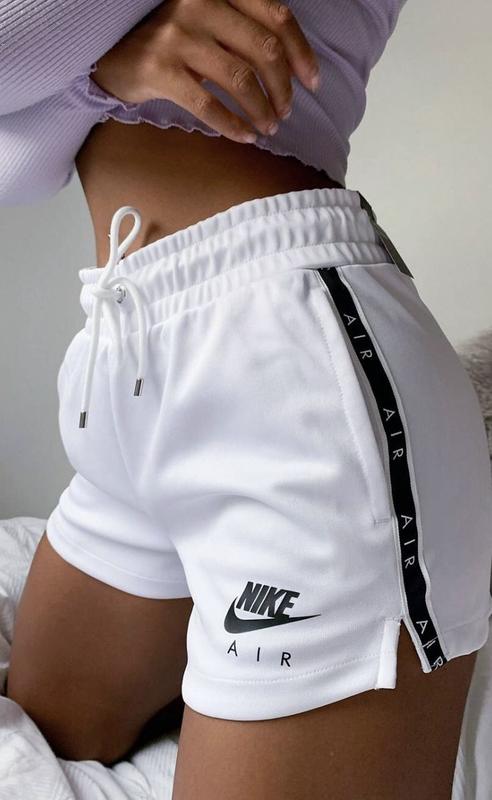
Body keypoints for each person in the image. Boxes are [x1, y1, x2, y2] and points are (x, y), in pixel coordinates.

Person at [3, 2, 492, 797]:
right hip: (129, 352)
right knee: (42, 739)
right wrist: (93, 80)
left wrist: (54, 86)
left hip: (291, 386)